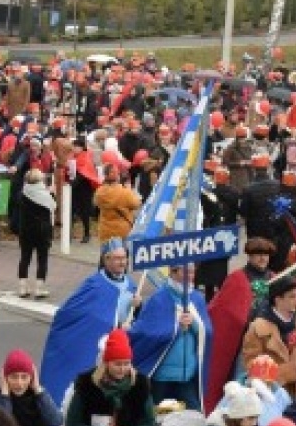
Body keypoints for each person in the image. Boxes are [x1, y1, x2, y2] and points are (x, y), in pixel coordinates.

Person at [40, 239, 142, 405]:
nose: (122, 262)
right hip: (95, 349)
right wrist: (117, 327)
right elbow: (70, 314)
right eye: (117, 258)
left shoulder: (131, 285)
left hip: (116, 353)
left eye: (124, 258)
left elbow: (135, 318)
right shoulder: (94, 285)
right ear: (106, 259)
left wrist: (137, 307)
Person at [204, 237, 277, 409]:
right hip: (244, 341)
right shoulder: (237, 278)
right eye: (258, 254)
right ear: (249, 256)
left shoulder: (275, 277)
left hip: (269, 339)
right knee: (242, 380)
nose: (263, 258)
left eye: (266, 254)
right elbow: (223, 308)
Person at [129, 263, 210, 410]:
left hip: (187, 375)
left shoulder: (197, 298)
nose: (190, 277)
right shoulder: (159, 298)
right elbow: (146, 332)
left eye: (192, 272)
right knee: (156, 416)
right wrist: (176, 326)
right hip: (163, 376)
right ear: (172, 272)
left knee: (195, 417)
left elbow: (207, 331)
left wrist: (194, 323)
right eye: (186, 273)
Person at [239, 272, 296, 396]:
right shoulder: (257, 328)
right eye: (292, 297)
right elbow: (251, 370)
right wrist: (289, 371)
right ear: (278, 299)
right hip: (269, 398)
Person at [14, 169, 56, 299]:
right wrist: (52, 193)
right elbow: (53, 207)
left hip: (25, 230)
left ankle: (22, 287)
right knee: (42, 259)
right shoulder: (45, 195)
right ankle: (39, 288)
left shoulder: (22, 194)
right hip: (42, 231)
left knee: (25, 258)